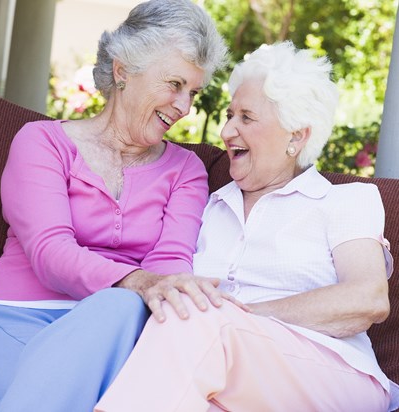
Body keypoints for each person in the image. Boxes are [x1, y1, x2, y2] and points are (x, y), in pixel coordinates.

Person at [95, 41, 399, 412]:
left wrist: (238, 316)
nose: (226, 131)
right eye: (229, 115)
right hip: (224, 370)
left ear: (296, 135)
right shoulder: (208, 206)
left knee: (195, 323)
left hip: (332, 372)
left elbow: (367, 298)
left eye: (246, 118)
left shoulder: (344, 201)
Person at [0, 1, 235, 411]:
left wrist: (141, 290)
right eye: (174, 84)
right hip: (17, 322)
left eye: (193, 92)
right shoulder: (43, 143)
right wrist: (137, 282)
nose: (184, 106)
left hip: (118, 337)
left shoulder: (186, 170)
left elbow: (171, 263)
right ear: (123, 71)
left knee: (119, 307)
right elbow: (50, 252)